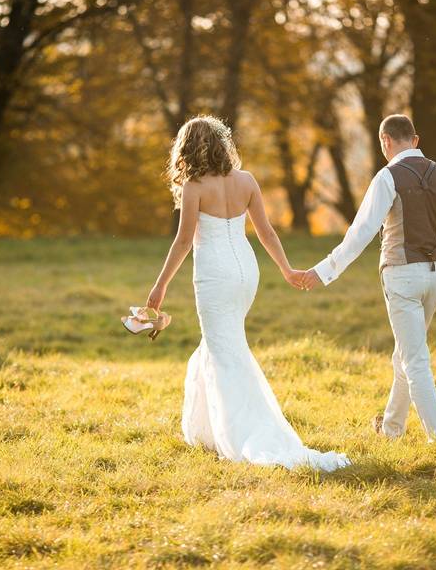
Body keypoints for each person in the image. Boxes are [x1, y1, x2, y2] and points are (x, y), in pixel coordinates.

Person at [145, 115, 350, 471]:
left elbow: (182, 242)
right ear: (222, 144)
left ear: (187, 149)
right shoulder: (246, 180)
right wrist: (286, 269)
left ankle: (247, 434)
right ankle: (204, 430)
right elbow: (267, 232)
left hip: (215, 276)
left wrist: (160, 285)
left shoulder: (195, 186)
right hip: (245, 272)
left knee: (226, 352)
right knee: (221, 345)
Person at [293, 114, 436, 442]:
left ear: (385, 142)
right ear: (415, 140)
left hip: (402, 277)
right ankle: (391, 430)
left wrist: (323, 272)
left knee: (415, 359)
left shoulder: (387, 177)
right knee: (405, 352)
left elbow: (360, 232)